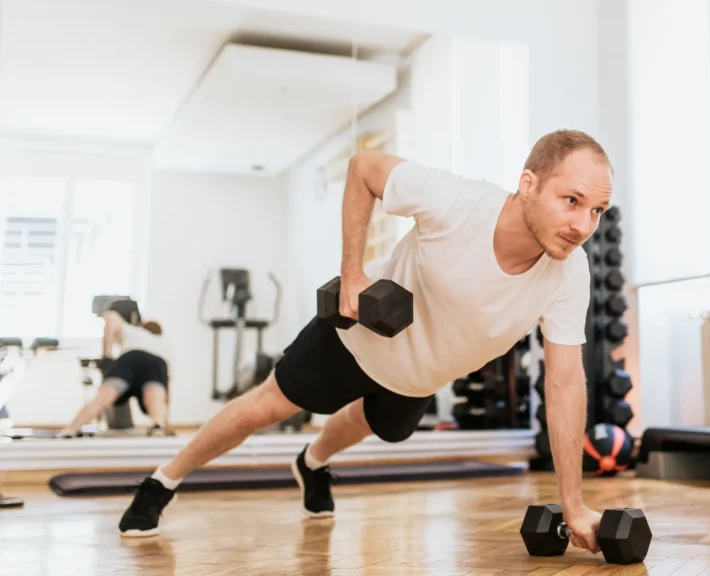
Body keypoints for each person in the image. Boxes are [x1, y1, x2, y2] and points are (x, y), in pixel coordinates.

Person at [117, 129, 614, 554]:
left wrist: (573, 504)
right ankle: (162, 482)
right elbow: (363, 168)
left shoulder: (570, 274)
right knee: (264, 407)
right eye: (571, 200)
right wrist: (351, 273)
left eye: (597, 210)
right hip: (356, 340)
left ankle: (311, 462)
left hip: (418, 377)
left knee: (373, 423)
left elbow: (565, 382)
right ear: (528, 184)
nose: (583, 226)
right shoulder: (459, 203)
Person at [62, 310, 173, 437]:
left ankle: (71, 429)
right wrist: (166, 423)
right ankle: (158, 426)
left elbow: (110, 317)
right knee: (156, 400)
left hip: (131, 358)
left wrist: (106, 356)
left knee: (102, 399)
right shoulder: (166, 346)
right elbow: (167, 389)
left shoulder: (136, 331)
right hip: (157, 363)